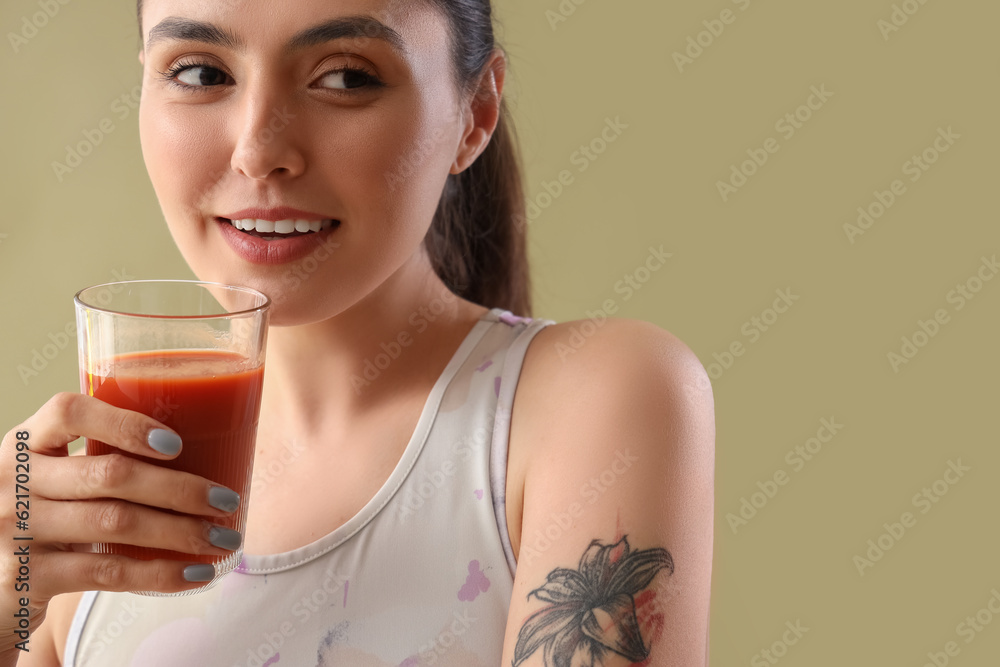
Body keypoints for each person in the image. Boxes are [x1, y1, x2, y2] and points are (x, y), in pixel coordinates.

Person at [1, 0, 716, 664]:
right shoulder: (81, 525)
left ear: (475, 112)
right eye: (200, 72)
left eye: (345, 77)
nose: (258, 150)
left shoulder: (595, 398)